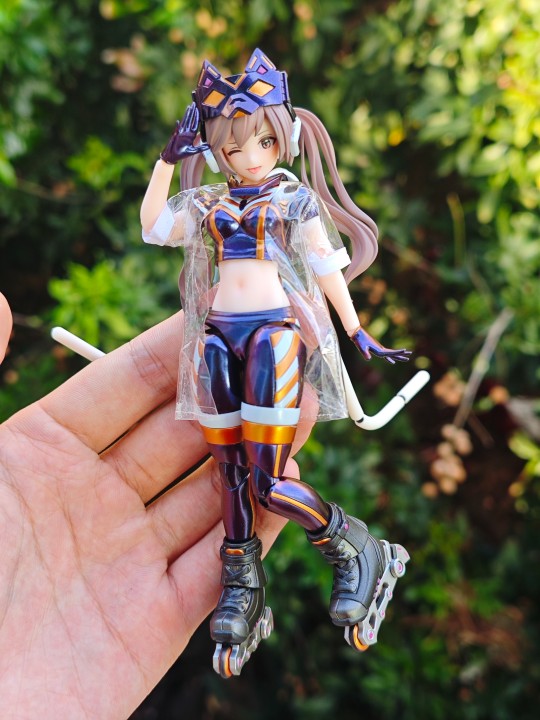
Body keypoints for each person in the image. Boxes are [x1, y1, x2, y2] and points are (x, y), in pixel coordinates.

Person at [141, 49, 411, 677]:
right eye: (233, 147)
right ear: (217, 151)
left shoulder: (293, 201)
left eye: (262, 141)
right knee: (229, 471)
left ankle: (357, 546)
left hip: (272, 335)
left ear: (282, 136)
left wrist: (355, 329)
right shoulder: (206, 203)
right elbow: (154, 226)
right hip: (216, 336)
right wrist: (166, 161)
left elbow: (325, 265)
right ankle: (242, 584)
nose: (250, 155)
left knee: (267, 480)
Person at [0, 295, 299, 717]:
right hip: (227, 338)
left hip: (264, 336)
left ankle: (345, 544)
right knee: (234, 474)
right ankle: (258, 574)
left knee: (254, 480)